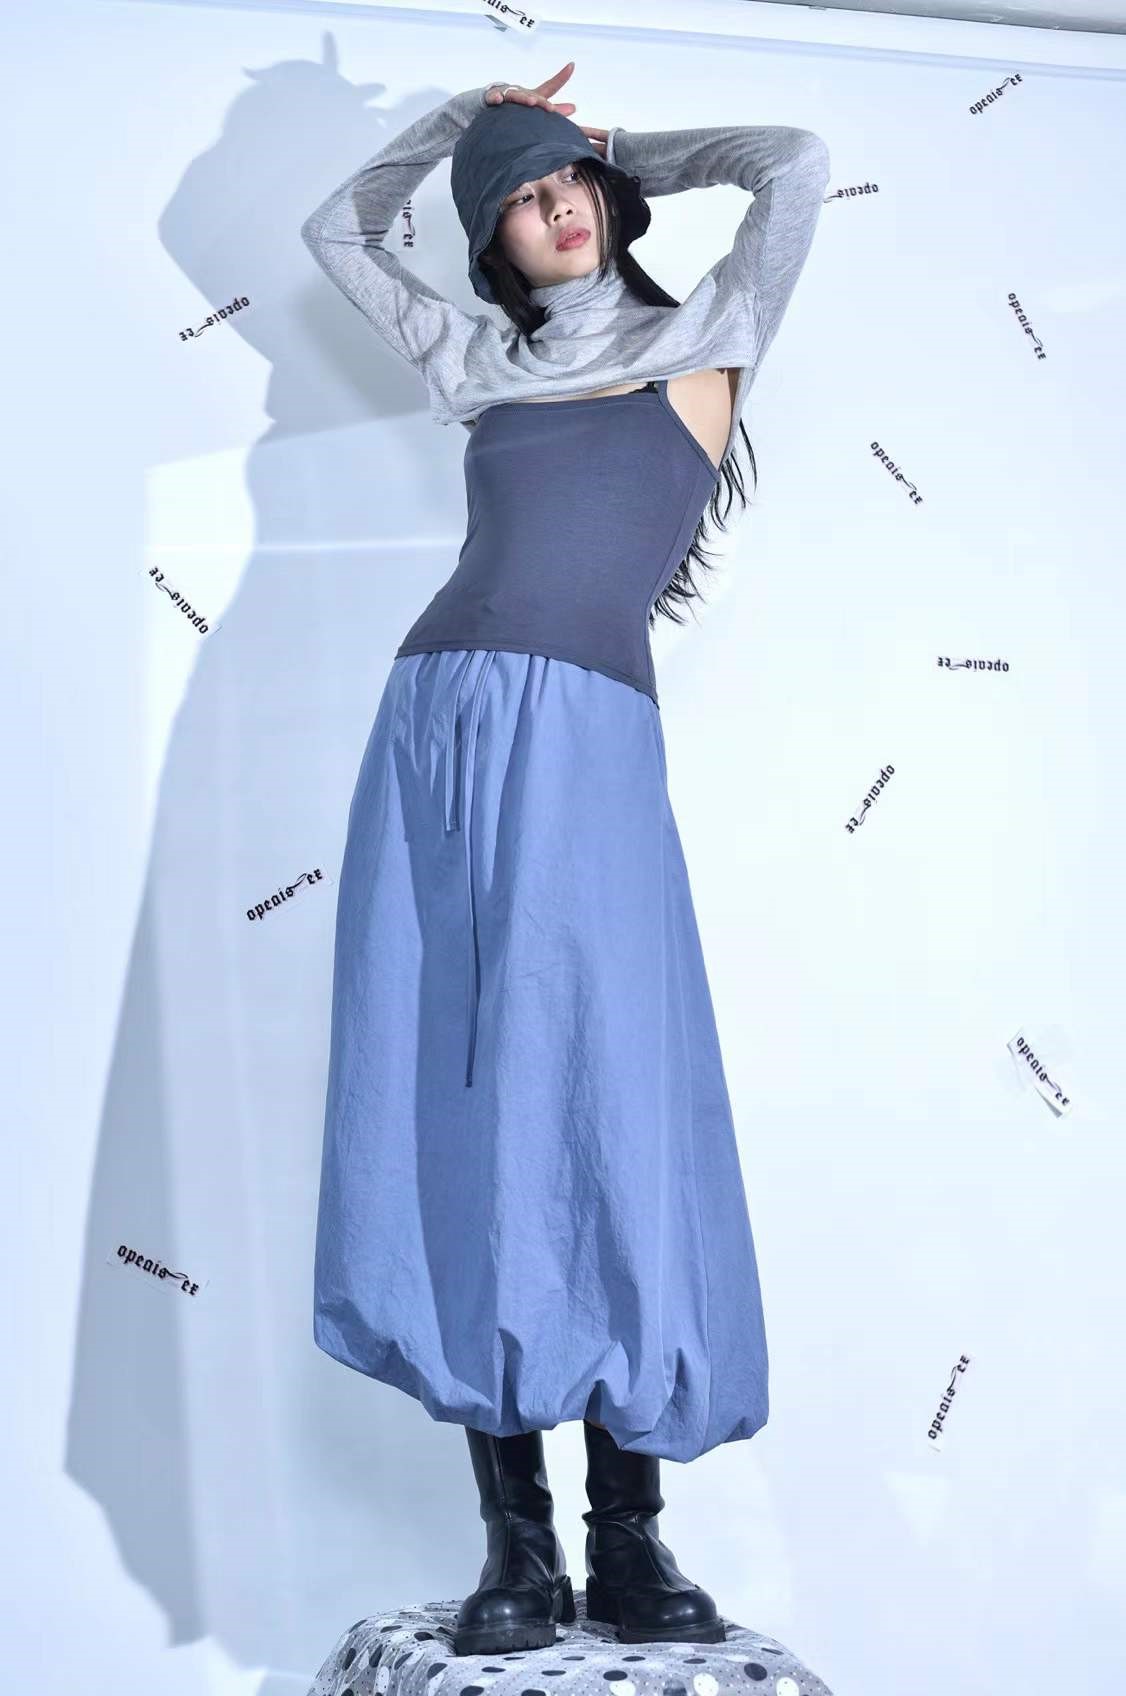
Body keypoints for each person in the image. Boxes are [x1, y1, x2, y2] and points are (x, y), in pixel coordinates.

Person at [300, 61, 830, 1658]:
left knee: (605, 1104)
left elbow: (795, 160)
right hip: (438, 728)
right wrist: (463, 128)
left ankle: (631, 1536)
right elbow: (338, 229)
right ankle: (515, 1544)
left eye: (568, 189)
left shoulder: (706, 340)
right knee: (469, 1103)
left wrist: (603, 142)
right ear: (495, 248)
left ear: (608, 201)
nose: (554, 211)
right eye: (521, 204)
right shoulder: (476, 362)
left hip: (588, 739)